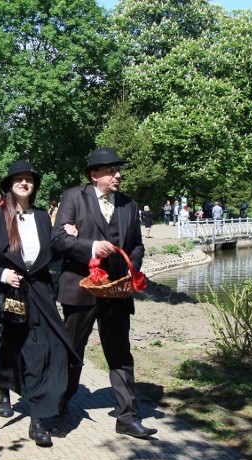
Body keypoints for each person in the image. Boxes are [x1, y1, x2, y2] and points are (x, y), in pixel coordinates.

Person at [51, 147, 158, 439]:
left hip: (116, 293)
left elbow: (137, 245)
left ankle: (127, 417)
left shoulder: (129, 205)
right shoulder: (74, 197)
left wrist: (129, 268)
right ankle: (58, 403)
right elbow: (58, 239)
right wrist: (90, 247)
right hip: (81, 290)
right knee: (72, 351)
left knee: (120, 354)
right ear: (94, 174)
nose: (118, 175)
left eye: (118, 170)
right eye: (111, 171)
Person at [0, 161, 75, 448]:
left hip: (39, 293)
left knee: (49, 348)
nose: (24, 183)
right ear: (9, 185)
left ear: (34, 186)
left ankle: (38, 418)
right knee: (9, 346)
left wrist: (68, 234)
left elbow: (50, 254)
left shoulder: (43, 217)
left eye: (29, 179)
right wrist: (1, 273)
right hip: (7, 293)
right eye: (18, 179)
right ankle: (6, 389)